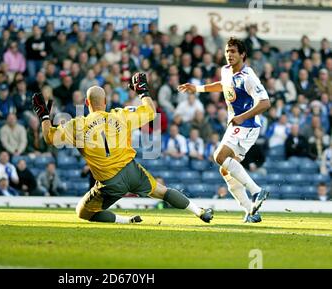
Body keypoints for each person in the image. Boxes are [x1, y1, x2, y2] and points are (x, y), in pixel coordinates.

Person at [33, 73, 213, 224]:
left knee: (82, 212)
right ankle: (199, 211)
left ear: (87, 104)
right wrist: (143, 91)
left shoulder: (78, 124)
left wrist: (44, 116)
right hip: (131, 170)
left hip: (109, 182)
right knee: (162, 191)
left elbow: (49, 137)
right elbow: (151, 112)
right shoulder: (120, 115)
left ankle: (126, 221)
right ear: (105, 102)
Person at [178, 37, 270, 223]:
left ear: (242, 54)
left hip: (247, 125)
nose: (229, 55)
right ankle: (251, 212)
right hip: (236, 124)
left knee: (219, 157)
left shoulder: (248, 76)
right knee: (226, 170)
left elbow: (265, 103)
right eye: (227, 51)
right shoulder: (226, 70)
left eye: (233, 51)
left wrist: (243, 116)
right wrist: (197, 88)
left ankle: (256, 191)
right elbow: (223, 85)